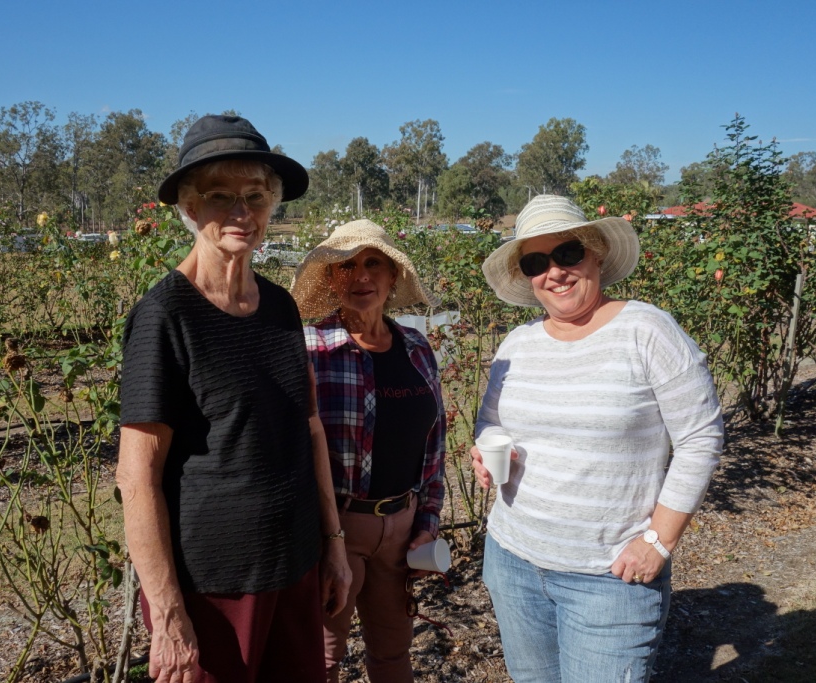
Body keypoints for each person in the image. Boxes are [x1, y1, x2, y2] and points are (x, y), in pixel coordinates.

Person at [116, 115, 350, 683]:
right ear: (190, 208)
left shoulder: (279, 307)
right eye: (220, 196)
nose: (241, 212)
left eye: (255, 196)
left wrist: (332, 544)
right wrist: (168, 614)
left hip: (293, 564)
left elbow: (310, 428)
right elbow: (138, 476)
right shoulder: (165, 316)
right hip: (210, 585)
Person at [471, 194, 724, 683]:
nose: (555, 272)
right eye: (536, 262)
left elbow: (700, 437)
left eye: (568, 254)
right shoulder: (518, 343)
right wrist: (486, 450)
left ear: (597, 255)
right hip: (512, 561)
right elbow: (490, 421)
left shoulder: (646, 330)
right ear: (526, 275)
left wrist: (659, 540)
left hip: (608, 577)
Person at [290, 219, 446, 683]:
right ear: (330, 279)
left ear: (393, 276)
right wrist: (320, 537)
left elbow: (433, 448)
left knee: (394, 652)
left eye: (373, 263)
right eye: (346, 266)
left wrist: (428, 521)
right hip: (335, 531)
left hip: (401, 530)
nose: (361, 276)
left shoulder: (416, 348)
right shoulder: (311, 349)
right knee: (322, 658)